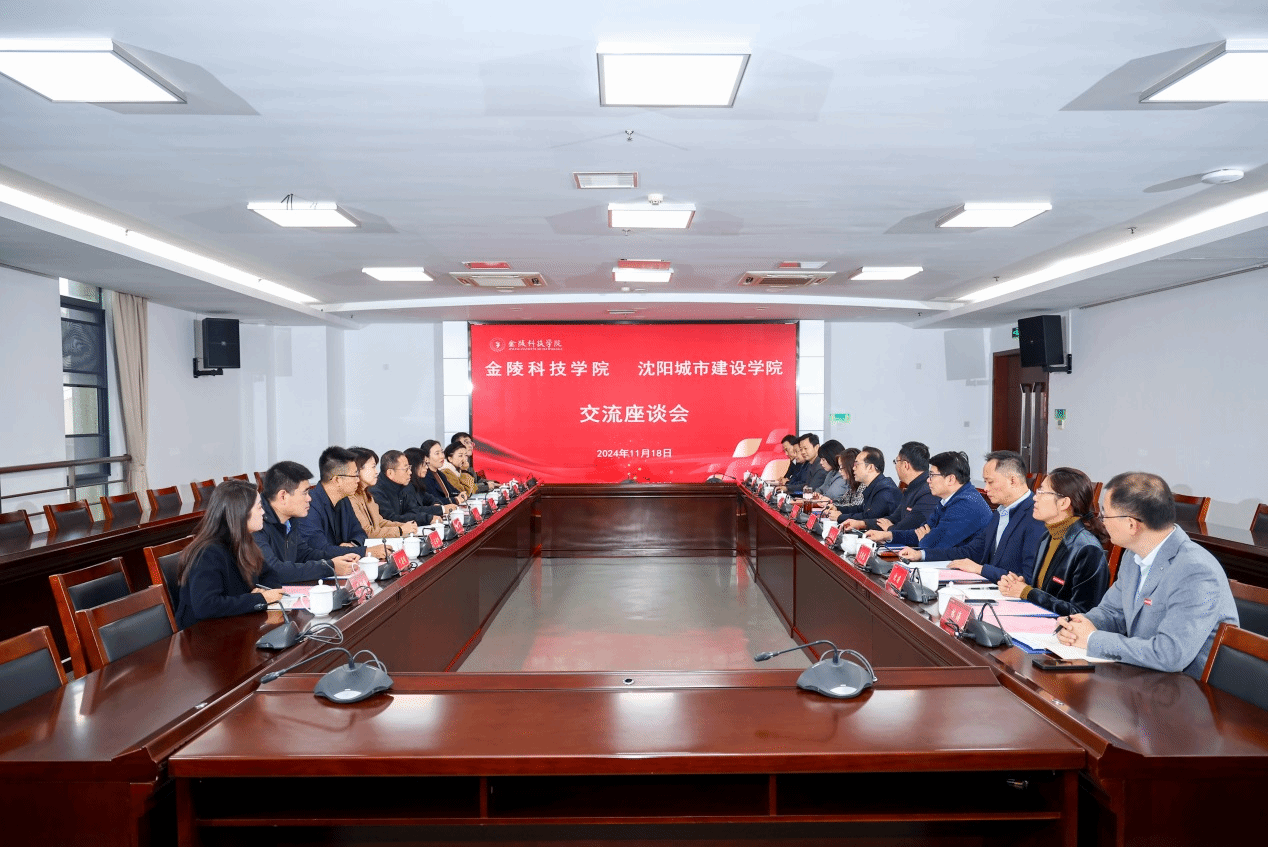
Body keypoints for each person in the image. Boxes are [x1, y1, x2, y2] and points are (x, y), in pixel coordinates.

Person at [1056, 472, 1238, 677]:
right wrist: (1078, 625)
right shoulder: (1133, 555)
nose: (1102, 521)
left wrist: (1092, 639)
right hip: (1144, 676)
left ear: (1132, 525)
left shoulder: (1195, 571)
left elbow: (1170, 654)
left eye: (1105, 514)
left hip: (1186, 687)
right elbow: (1113, 612)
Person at [898, 450, 1046, 582]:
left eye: (990, 482)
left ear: (1013, 480)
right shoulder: (1000, 512)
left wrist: (980, 569)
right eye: (985, 482)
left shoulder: (1036, 515)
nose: (986, 488)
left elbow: (1027, 578)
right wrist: (921, 554)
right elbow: (970, 551)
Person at [999, 467, 1109, 616]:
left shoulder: (1088, 549)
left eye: (1042, 492)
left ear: (1064, 503)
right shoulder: (1047, 537)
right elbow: (1046, 591)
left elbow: (1082, 613)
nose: (1035, 497)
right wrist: (1019, 586)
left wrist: (1028, 592)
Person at [175, 480, 283, 629]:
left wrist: (264, 592)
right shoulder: (207, 552)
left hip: (235, 624)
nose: (263, 512)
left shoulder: (244, 542)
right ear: (241, 513)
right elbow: (206, 606)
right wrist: (259, 599)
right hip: (203, 634)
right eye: (259, 507)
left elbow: (270, 575)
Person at [254, 461, 360, 583]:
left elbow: (304, 554)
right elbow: (275, 570)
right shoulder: (256, 524)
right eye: (305, 493)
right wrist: (330, 567)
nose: (309, 498)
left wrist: (342, 559)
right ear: (283, 496)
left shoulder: (290, 520)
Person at [868, 450, 990, 550]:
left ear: (951, 479)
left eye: (932, 475)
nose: (928, 480)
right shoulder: (946, 499)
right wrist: (887, 535)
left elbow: (933, 545)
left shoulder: (966, 503)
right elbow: (920, 532)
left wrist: (926, 539)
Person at [298, 446, 385, 559]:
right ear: (337, 480)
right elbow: (320, 549)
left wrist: (353, 545)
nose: (358, 480)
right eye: (355, 475)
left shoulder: (344, 500)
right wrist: (365, 552)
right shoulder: (309, 505)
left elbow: (360, 532)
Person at [843, 441, 938, 533]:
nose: (895, 466)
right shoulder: (913, 487)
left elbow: (910, 526)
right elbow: (895, 518)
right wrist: (863, 524)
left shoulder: (928, 491)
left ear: (906, 465)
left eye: (896, 461)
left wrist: (890, 529)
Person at [347, 447, 418, 538]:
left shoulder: (366, 494)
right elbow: (367, 532)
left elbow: (380, 522)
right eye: (373, 467)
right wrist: (400, 530)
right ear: (357, 470)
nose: (376, 472)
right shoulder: (350, 498)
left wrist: (404, 526)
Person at [824, 446, 899, 523]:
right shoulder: (875, 486)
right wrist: (837, 508)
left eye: (857, 464)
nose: (853, 468)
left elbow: (869, 517)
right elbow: (860, 509)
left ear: (870, 467)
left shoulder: (885, 490)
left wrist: (840, 517)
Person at [371, 449, 446, 525]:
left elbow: (412, 511)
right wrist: (427, 518)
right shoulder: (376, 492)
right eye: (406, 469)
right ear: (390, 473)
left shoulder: (401, 486)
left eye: (409, 468)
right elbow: (391, 519)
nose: (410, 472)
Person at [405, 446, 459, 517]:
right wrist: (442, 509)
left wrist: (436, 505)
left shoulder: (418, 484)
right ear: (415, 464)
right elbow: (415, 510)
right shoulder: (407, 486)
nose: (426, 467)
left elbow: (432, 499)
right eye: (424, 464)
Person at [420, 439, 467, 507]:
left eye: (442, 452)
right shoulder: (425, 476)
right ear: (426, 458)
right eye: (437, 453)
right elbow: (434, 501)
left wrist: (461, 495)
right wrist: (455, 500)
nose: (442, 456)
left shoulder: (440, 474)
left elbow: (453, 491)